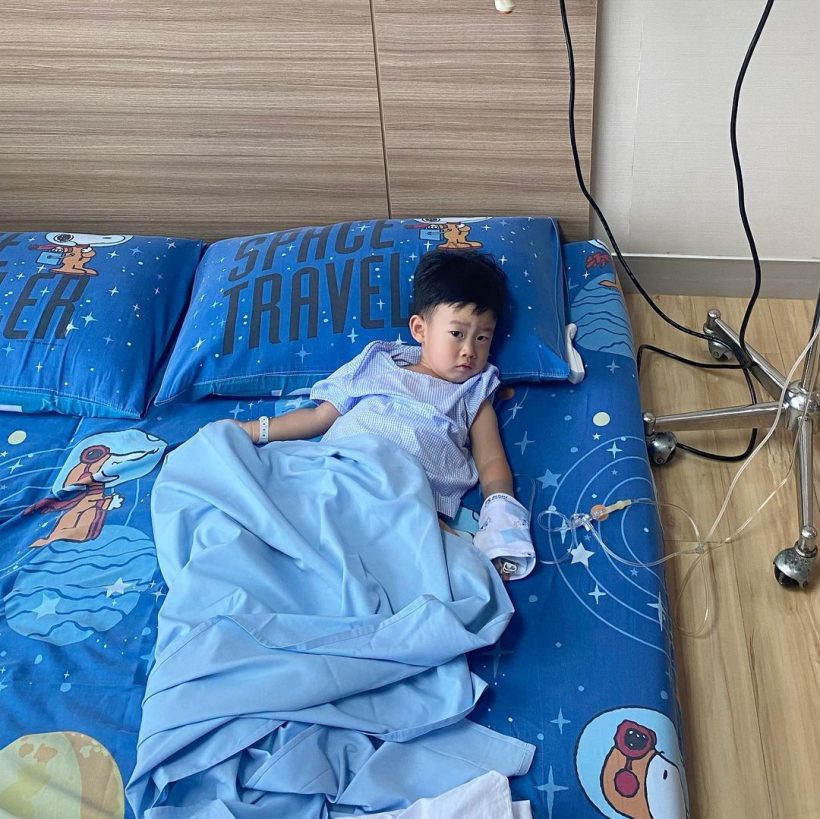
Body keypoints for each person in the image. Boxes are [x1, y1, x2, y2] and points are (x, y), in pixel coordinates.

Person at [231, 249, 535, 580]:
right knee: (255, 494)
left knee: (425, 556)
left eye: (482, 338)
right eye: (457, 334)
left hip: (407, 495)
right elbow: (320, 418)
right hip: (340, 468)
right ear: (420, 329)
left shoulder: (474, 390)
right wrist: (255, 430)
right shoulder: (378, 362)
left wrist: (500, 512)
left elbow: (491, 460)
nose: (469, 351)